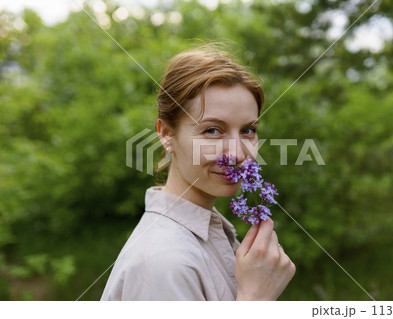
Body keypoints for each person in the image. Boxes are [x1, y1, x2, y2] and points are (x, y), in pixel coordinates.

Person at [100, 45, 296, 301]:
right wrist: (255, 300)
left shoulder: (212, 236)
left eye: (248, 130)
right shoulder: (164, 263)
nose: (237, 154)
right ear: (166, 134)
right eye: (212, 131)